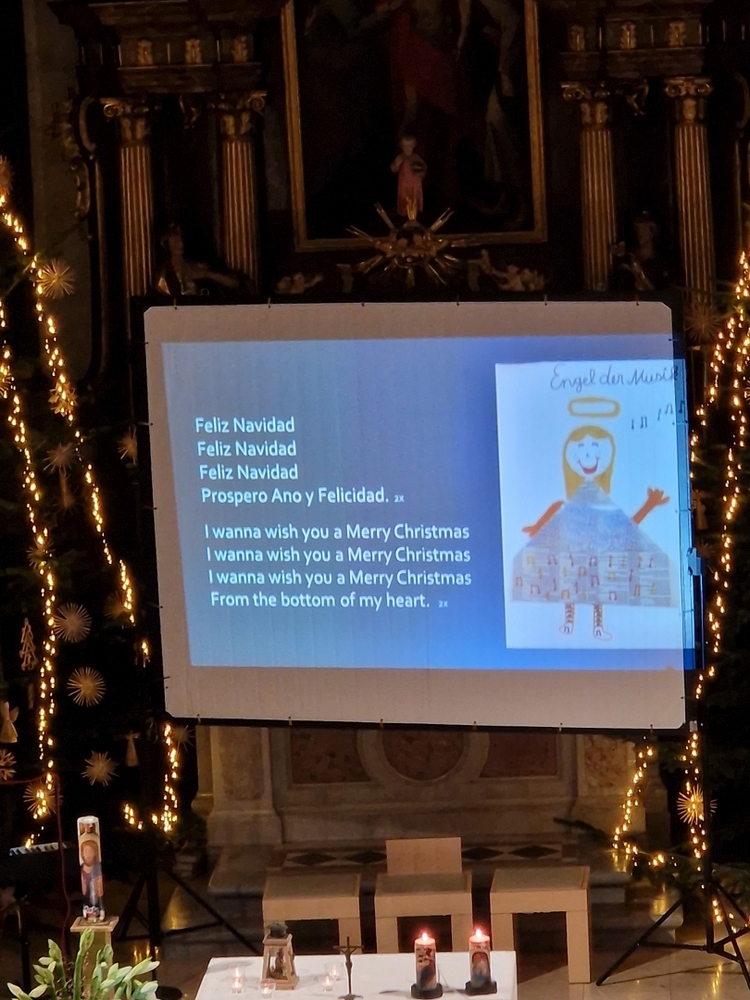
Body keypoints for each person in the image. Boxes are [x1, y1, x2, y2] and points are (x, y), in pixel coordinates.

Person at [513, 420, 672, 641]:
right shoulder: (567, 505)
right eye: (580, 447)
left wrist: (649, 504)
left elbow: (628, 526)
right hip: (572, 557)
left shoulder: (605, 509)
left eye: (596, 447)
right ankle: (569, 622)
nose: (588, 455)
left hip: (597, 558)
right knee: (570, 587)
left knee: (598, 590)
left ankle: (597, 626)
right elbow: (556, 510)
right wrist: (538, 528)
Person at [391, 136, 427, 217]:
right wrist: (396, 165)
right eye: (405, 146)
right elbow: (393, 169)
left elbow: (423, 169)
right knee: (404, 203)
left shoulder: (416, 157)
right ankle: (403, 217)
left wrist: (421, 174)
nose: (408, 148)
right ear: (401, 146)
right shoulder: (400, 157)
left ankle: (414, 217)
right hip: (404, 187)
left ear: (414, 146)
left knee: (414, 203)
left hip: (415, 186)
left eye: (410, 146)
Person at [80, 838, 104, 919]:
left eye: (91, 851)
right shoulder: (81, 868)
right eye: (86, 851)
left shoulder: (97, 868)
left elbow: (99, 890)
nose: (88, 855)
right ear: (82, 854)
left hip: (96, 902)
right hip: (86, 903)